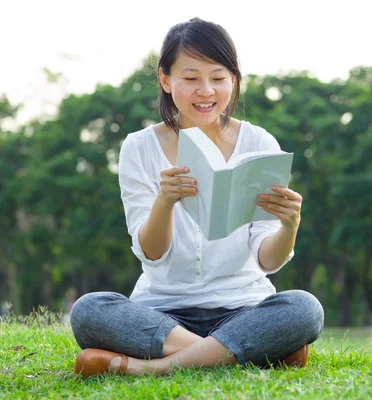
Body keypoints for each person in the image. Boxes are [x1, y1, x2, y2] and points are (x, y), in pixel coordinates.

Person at [69, 17, 324, 377]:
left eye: (218, 78)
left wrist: (290, 225)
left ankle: (149, 368)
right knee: (89, 310)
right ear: (165, 79)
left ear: (233, 80)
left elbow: (268, 259)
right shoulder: (139, 147)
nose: (206, 91)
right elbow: (152, 252)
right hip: (162, 313)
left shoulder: (260, 144)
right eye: (190, 78)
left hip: (243, 307)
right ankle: (243, 352)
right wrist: (164, 201)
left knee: (305, 308)